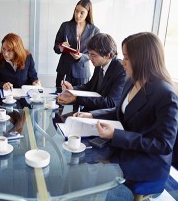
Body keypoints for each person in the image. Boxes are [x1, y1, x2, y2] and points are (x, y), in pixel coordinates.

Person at [76, 32, 178, 197]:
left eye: (127, 58)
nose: (122, 62)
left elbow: (163, 145)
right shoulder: (132, 81)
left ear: (143, 59)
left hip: (147, 160)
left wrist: (116, 135)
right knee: (83, 156)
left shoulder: (165, 94)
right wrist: (93, 116)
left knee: (95, 166)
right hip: (126, 146)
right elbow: (120, 112)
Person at [58, 33, 126, 112]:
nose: (89, 58)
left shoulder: (121, 70)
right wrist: (72, 89)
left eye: (93, 55)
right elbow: (90, 86)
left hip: (104, 115)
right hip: (92, 110)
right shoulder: (99, 65)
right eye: (89, 54)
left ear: (108, 55)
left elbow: (111, 103)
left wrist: (76, 99)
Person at [54, 0, 100, 88]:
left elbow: (96, 54)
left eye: (82, 13)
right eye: (76, 11)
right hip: (64, 70)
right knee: (60, 98)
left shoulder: (94, 31)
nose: (78, 15)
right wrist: (61, 46)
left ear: (88, 14)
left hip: (81, 73)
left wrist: (81, 56)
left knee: (80, 99)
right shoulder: (65, 26)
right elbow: (56, 48)